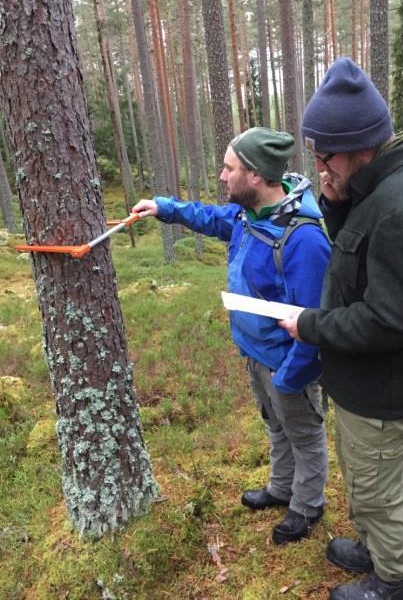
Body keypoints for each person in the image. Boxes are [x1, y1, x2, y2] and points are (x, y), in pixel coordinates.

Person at [279, 59, 403, 600]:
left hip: (387, 385)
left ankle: (394, 580)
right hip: (366, 381)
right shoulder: (381, 189)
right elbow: (362, 259)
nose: (318, 165)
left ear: (359, 147)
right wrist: (335, 205)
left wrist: (311, 326)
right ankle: (376, 547)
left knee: (381, 490)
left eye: (323, 155)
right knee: (365, 477)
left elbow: (394, 319)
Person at [132, 127, 331, 545]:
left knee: (304, 434)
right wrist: (163, 207)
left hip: (286, 362)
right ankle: (281, 488)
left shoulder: (304, 240)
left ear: (256, 175)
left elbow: (315, 322)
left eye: (229, 168)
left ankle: (307, 505)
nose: (222, 176)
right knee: (275, 425)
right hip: (255, 353)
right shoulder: (248, 214)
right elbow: (209, 217)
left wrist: (291, 376)